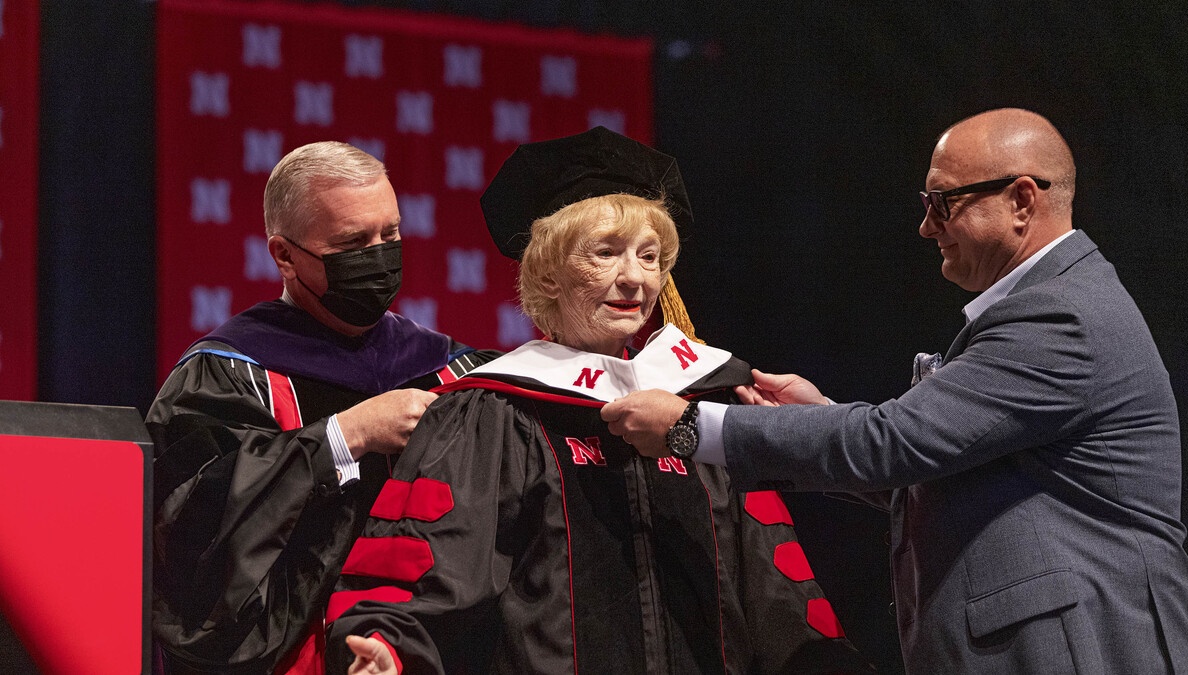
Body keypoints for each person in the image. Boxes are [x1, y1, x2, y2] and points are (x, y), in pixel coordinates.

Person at [602, 109, 1188, 673]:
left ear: (1022, 200)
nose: (925, 226)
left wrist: (691, 427)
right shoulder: (1052, 305)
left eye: (942, 203)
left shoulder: (1059, 318)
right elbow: (930, 464)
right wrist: (826, 416)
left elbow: (893, 441)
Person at [324, 127, 873, 674]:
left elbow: (771, 582)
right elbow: (429, 552)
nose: (634, 278)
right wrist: (386, 645)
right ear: (548, 274)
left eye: (650, 255)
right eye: (605, 253)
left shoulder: (704, 402)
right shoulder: (495, 411)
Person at [148, 141, 498, 674]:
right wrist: (342, 436)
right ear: (284, 255)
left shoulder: (446, 365)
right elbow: (191, 530)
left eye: (391, 234)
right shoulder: (226, 373)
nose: (379, 255)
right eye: (354, 242)